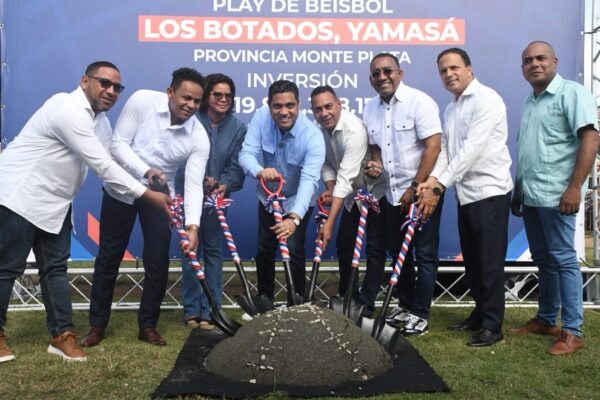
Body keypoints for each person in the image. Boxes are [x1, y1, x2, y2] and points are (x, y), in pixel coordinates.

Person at [0, 61, 171, 363]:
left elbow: (112, 159)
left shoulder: (101, 122)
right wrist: (147, 195)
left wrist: (146, 173)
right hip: (20, 194)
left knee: (55, 269)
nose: (111, 91)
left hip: (56, 203)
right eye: (104, 83)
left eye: (117, 87)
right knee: (7, 268)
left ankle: (62, 335)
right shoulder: (66, 108)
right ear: (84, 81)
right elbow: (101, 165)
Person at [81, 68, 210, 347]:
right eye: (186, 98)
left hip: (160, 199)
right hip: (121, 189)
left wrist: (192, 226)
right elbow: (118, 145)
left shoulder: (199, 137)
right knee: (108, 257)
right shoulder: (142, 101)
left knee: (158, 262)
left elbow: (193, 184)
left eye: (197, 101)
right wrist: (145, 170)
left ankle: (148, 326)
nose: (191, 105)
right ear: (170, 92)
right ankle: (97, 325)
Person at [419, 48, 513, 347]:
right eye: (443, 70)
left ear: (469, 69)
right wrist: (433, 179)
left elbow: (471, 151)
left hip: (490, 192)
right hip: (465, 194)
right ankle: (479, 314)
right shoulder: (451, 108)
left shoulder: (487, 99)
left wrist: (438, 186)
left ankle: (492, 326)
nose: (449, 74)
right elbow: (447, 151)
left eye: (454, 68)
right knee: (472, 263)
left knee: (489, 263)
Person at [510, 41, 599, 355]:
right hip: (533, 196)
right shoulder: (529, 102)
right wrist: (519, 190)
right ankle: (547, 319)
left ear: (555, 62)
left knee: (563, 261)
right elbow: (528, 150)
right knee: (544, 260)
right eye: (528, 60)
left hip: (559, 196)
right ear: (523, 68)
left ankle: (573, 331)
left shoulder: (572, 93)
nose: (534, 64)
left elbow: (590, 138)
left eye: (541, 58)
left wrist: (575, 187)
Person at [362, 53, 443, 336]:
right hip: (391, 194)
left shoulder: (420, 102)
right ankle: (406, 305)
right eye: (376, 73)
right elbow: (376, 149)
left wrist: (416, 186)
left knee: (425, 254)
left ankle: (420, 314)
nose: (382, 77)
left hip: (422, 193)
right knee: (399, 254)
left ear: (400, 73)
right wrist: (375, 166)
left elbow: (434, 146)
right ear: (371, 79)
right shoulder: (370, 108)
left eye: (387, 71)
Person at [239, 80, 325, 305]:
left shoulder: (313, 135)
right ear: (269, 105)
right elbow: (246, 153)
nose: (284, 112)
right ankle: (264, 301)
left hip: (298, 199)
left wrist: (294, 218)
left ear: (299, 105)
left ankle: (296, 304)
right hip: (268, 197)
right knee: (264, 248)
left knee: (294, 249)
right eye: (277, 106)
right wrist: (260, 171)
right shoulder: (261, 117)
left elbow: (309, 180)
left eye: (290, 105)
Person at [175, 73, 246, 329]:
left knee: (214, 252)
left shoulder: (238, 128)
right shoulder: (191, 120)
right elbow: (179, 156)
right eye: (218, 94)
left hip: (217, 200)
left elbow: (237, 165)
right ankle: (192, 311)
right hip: (188, 196)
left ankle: (212, 310)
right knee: (190, 250)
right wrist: (196, 181)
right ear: (206, 96)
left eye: (229, 95)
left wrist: (223, 184)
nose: (224, 99)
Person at [311, 85, 388, 317]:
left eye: (328, 106)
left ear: (339, 104)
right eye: (318, 109)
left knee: (374, 247)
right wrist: (329, 187)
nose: (324, 113)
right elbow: (326, 163)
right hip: (351, 195)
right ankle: (347, 296)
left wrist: (329, 223)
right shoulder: (319, 129)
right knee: (345, 244)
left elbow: (345, 177)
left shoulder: (354, 130)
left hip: (375, 191)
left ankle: (367, 303)